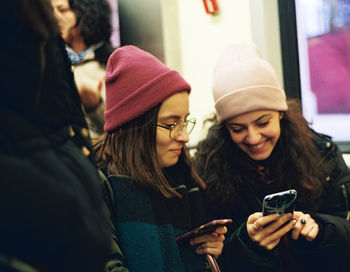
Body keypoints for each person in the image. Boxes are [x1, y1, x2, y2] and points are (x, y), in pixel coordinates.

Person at [193, 43, 350, 272]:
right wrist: (248, 244)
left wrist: (320, 230)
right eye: (238, 128)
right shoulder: (210, 168)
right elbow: (211, 258)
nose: (253, 137)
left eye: (262, 122)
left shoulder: (320, 153)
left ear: (280, 112)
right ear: (224, 128)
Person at [92, 45, 227, 272]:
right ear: (134, 125)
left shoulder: (182, 176)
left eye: (185, 122)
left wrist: (211, 249)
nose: (184, 136)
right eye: (171, 124)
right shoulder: (99, 183)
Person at [0, 0, 110, 271]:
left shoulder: (102, 65)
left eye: (64, 9)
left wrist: (94, 102)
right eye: (53, 9)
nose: (56, 16)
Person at [51, 0, 114, 137]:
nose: (54, 17)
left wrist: (95, 106)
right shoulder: (53, 61)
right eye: (51, 11)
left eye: (62, 10)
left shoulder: (111, 62)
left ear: (85, 14)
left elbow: (126, 130)